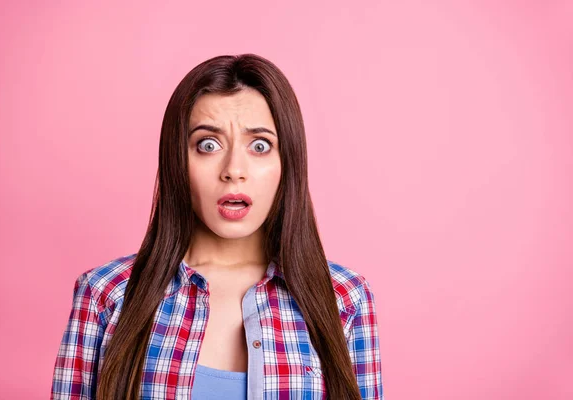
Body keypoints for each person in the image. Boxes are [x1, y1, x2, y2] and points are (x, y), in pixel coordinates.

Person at [50, 53, 383, 400]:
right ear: (178, 160)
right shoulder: (107, 294)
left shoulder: (344, 298)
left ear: (288, 163)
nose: (233, 169)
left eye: (260, 146)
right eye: (208, 145)